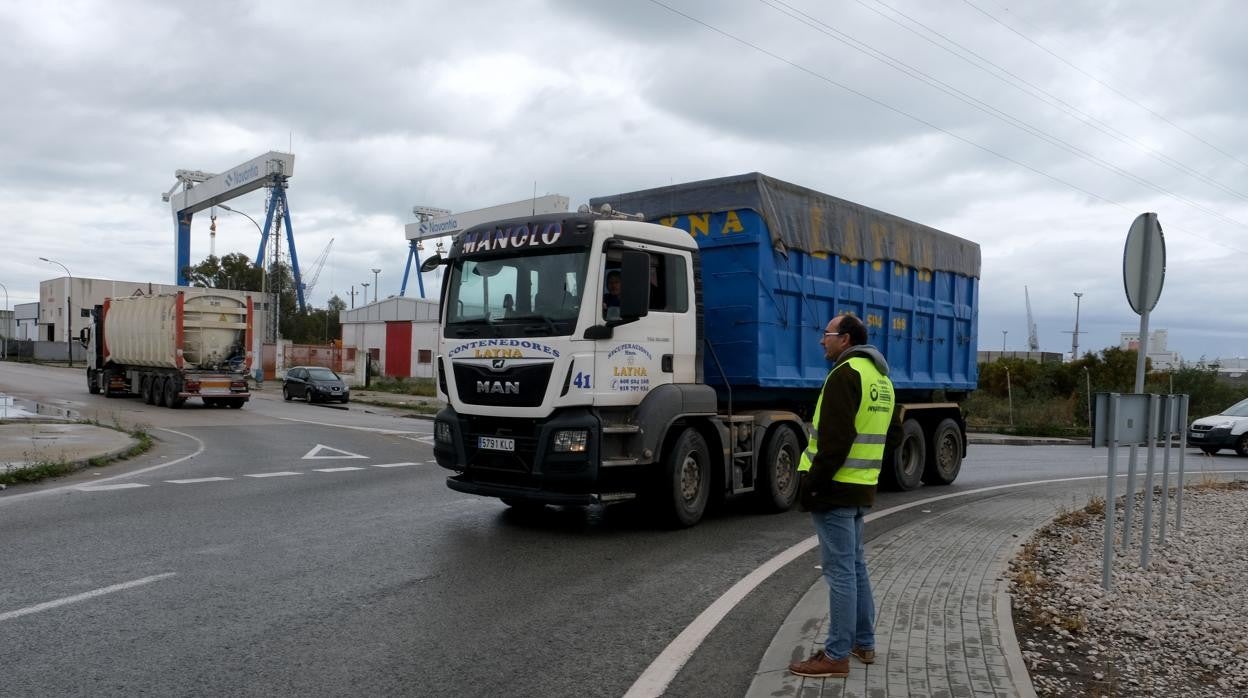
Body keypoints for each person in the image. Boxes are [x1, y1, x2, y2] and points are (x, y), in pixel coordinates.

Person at [788, 313, 901, 679]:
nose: (822, 341)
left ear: (846, 339)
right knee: (855, 567)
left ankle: (836, 655)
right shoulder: (881, 379)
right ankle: (863, 643)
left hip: (835, 488)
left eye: (828, 334)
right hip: (860, 485)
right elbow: (889, 436)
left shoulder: (845, 374)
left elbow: (834, 442)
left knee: (840, 573)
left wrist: (813, 486)